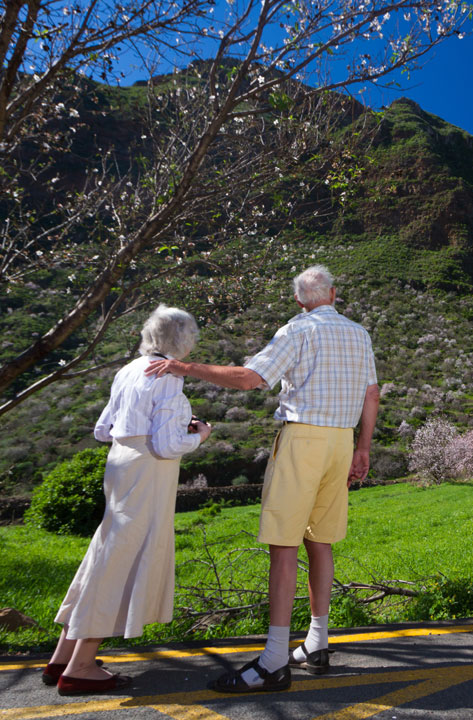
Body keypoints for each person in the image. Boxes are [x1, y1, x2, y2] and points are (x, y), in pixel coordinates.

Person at [146, 265, 379, 694]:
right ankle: (317, 642)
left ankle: (274, 660)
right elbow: (370, 393)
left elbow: (252, 379)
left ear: (299, 300)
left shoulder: (296, 329)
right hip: (342, 442)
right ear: (333, 294)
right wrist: (363, 448)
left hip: (303, 441)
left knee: (284, 544)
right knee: (320, 541)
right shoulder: (359, 334)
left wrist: (185, 367)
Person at [44, 305, 212, 696]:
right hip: (147, 473)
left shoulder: (128, 369)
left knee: (105, 552)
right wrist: (201, 435)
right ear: (182, 339)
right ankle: (81, 667)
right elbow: (168, 444)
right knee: (122, 560)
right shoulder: (168, 376)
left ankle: (62, 657)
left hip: (119, 464)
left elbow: (103, 430)